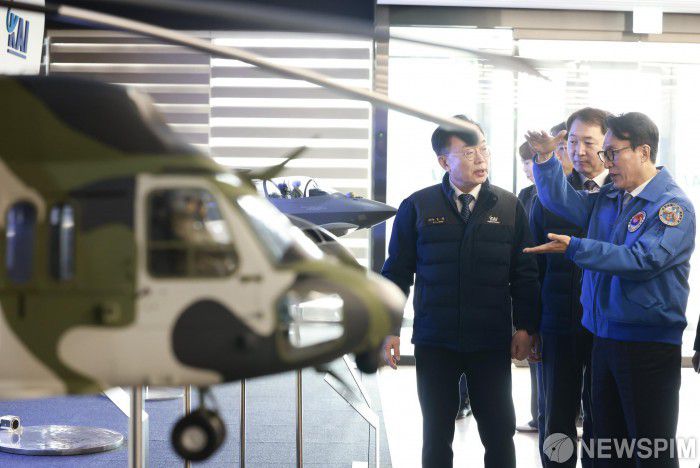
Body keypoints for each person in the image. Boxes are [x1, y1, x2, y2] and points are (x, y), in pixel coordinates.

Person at [525, 111, 695, 467]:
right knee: (607, 444)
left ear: (643, 152)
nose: (606, 162)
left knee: (650, 448)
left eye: (612, 153)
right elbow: (561, 201)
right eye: (606, 153)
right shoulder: (612, 197)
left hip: (647, 343)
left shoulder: (672, 207)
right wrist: (545, 159)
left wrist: (575, 247)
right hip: (603, 336)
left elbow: (643, 260)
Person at [381, 115, 539, 468]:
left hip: (490, 340)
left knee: (499, 431)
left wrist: (526, 326)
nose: (480, 159)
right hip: (436, 339)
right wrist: (389, 328)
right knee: (436, 433)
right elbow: (396, 273)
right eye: (468, 153)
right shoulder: (418, 206)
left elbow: (525, 273)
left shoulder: (508, 206)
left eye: (483, 149)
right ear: (444, 161)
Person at [530, 108, 612, 468]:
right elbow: (532, 265)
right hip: (559, 321)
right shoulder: (548, 195)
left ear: (609, 143)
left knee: (602, 412)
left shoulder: (623, 194)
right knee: (555, 413)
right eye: (572, 142)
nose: (579, 151)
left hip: (607, 324)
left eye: (588, 143)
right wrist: (530, 323)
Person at [515, 141, 540, 434]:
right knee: (535, 358)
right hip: (531, 280)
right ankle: (538, 415)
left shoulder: (563, 194)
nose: (526, 167)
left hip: (550, 281)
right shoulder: (524, 195)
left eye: (531, 160)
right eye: (523, 161)